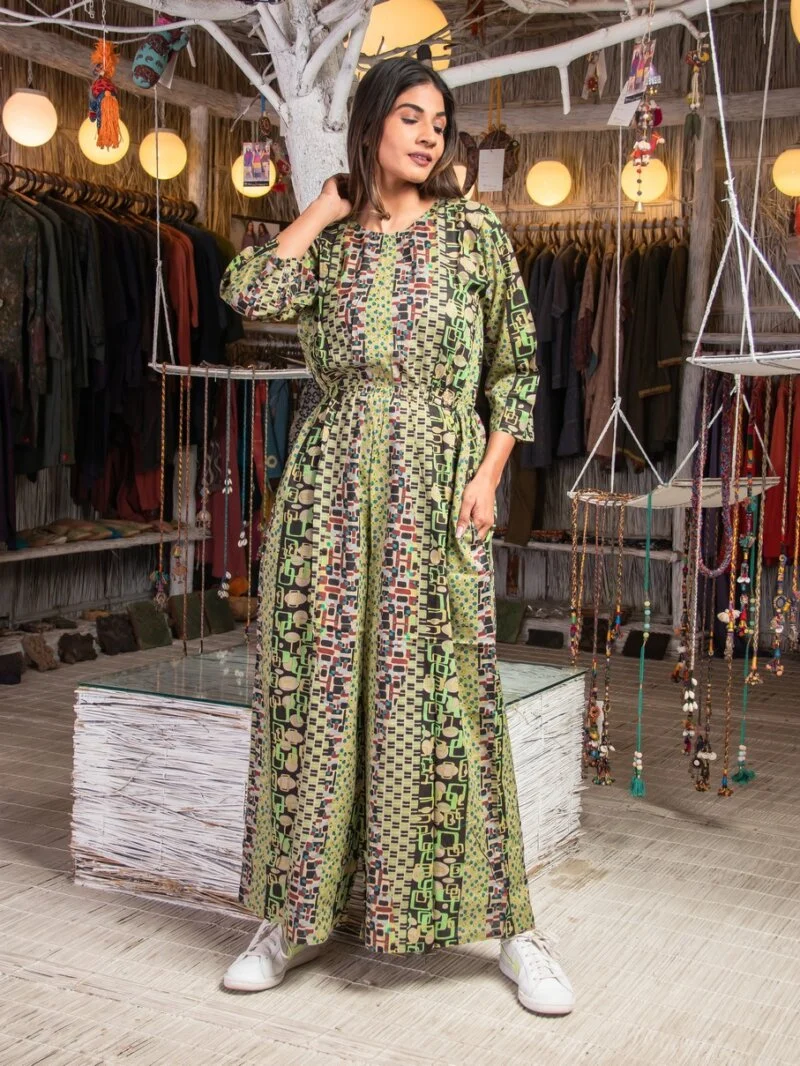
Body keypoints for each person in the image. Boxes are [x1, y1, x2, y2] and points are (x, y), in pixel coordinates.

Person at [219, 56, 575, 1018]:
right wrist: (322, 208)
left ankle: (515, 928)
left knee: (451, 699)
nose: (428, 135)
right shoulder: (330, 245)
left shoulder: (473, 235)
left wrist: (488, 477)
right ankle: (289, 916)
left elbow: (515, 369)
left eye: (440, 122)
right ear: (372, 122)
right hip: (329, 492)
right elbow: (248, 292)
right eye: (409, 116)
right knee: (313, 698)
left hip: (437, 489)